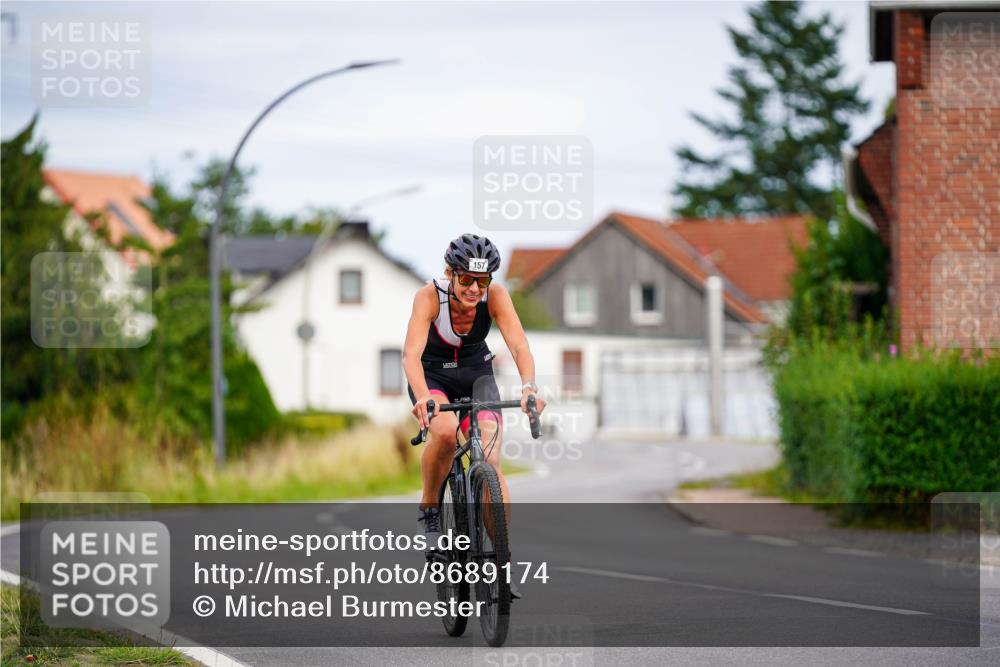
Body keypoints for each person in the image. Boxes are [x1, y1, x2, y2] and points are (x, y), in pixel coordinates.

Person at [403, 233, 546, 549]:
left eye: (482, 281)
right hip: (434, 379)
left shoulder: (495, 296)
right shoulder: (428, 297)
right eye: (467, 279)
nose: (474, 289)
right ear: (450, 273)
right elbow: (411, 354)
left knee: (491, 458)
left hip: (476, 375)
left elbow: (519, 344)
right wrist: (423, 396)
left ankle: (500, 561)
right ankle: (429, 506)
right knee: (444, 432)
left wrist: (529, 387)